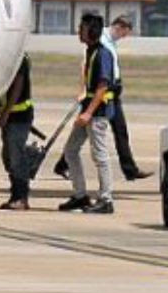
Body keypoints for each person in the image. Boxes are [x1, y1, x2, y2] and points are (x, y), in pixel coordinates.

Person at [55, 16, 150, 181]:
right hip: (103, 94)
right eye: (125, 33)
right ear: (120, 27)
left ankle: (130, 170)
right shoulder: (101, 40)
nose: (125, 37)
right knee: (90, 132)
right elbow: (86, 65)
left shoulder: (109, 41)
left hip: (111, 93)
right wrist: (83, 89)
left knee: (119, 131)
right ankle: (64, 164)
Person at [58, 14, 116, 214]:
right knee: (71, 150)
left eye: (81, 28)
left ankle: (106, 199)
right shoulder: (91, 52)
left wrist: (88, 113)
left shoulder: (102, 54)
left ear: (91, 31)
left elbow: (103, 86)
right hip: (89, 109)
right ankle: (80, 195)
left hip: (97, 112)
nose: (78, 31)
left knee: (100, 155)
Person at [0, 54, 34, 210]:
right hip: (11, 116)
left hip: (19, 116)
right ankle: (15, 194)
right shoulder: (8, 55)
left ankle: (21, 197)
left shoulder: (19, 58)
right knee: (8, 157)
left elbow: (18, 85)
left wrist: (6, 113)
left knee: (16, 157)